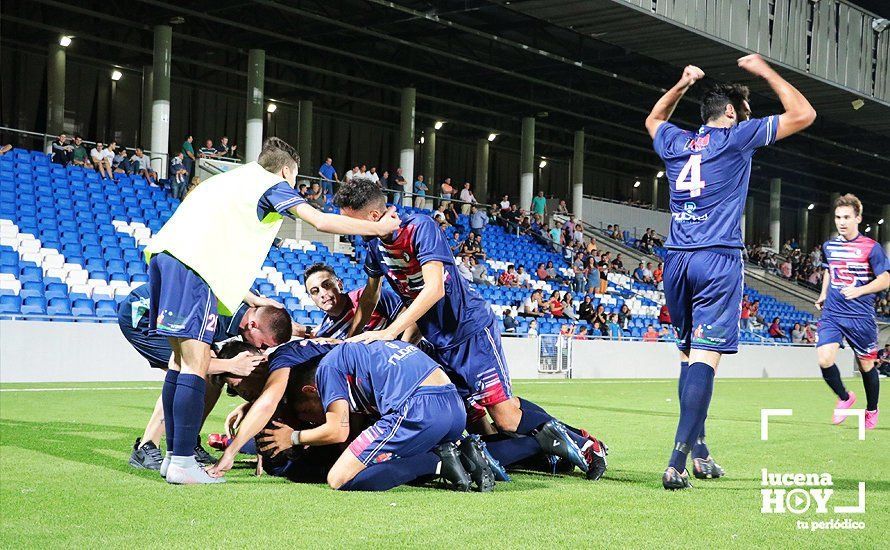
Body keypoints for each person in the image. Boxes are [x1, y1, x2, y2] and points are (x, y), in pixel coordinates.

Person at [144, 141, 400, 485]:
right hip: (195, 267)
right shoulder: (270, 184)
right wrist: (379, 229)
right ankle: (183, 462)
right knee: (195, 362)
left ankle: (174, 457)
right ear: (286, 171)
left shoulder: (228, 178)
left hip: (164, 258)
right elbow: (321, 220)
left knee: (180, 361)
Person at [333, 178, 607, 479]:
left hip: (469, 331)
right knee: (473, 421)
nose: (348, 228)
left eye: (350, 222)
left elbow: (434, 289)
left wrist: (390, 332)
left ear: (372, 217)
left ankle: (585, 444)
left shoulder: (419, 227)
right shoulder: (374, 244)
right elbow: (371, 294)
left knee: (506, 418)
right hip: (437, 340)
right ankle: (543, 454)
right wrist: (350, 340)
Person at [646, 53, 815, 489]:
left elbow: (653, 118)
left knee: (688, 356)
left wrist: (682, 81)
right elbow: (804, 113)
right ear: (727, 114)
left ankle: (700, 454)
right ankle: (676, 462)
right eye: (741, 112)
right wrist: (764, 71)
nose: (746, 117)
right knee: (705, 358)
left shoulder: (675, 142)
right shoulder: (736, 138)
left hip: (676, 258)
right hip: (717, 258)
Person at [257, 340, 497, 491]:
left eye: (307, 411)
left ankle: (437, 462)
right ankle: (460, 453)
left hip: (418, 409)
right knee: (381, 460)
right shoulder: (359, 355)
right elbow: (353, 433)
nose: (312, 419)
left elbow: (337, 430)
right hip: (453, 408)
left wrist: (293, 437)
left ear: (310, 391)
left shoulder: (327, 370)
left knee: (338, 479)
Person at [118, 283, 293, 470]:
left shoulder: (256, 308)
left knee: (211, 378)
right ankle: (147, 446)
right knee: (181, 372)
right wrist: (231, 365)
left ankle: (189, 442)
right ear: (252, 325)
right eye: (264, 345)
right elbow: (190, 361)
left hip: (178, 316)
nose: (261, 349)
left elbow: (274, 321)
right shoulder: (211, 313)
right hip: (144, 316)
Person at [815, 194, 889, 430]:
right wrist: (823, 294)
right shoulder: (829, 245)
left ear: (858, 217)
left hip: (861, 317)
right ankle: (846, 398)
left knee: (867, 366)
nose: (842, 222)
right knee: (824, 359)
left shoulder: (872, 248)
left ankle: (872, 409)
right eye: (838, 217)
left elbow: (886, 279)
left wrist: (860, 290)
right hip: (833, 313)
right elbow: (829, 270)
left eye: (847, 217)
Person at [304, 263, 404, 340]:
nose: (323, 293)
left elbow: (413, 321)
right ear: (311, 298)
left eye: (326, 285)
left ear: (339, 284)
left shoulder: (371, 296)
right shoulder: (325, 334)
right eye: (315, 291)